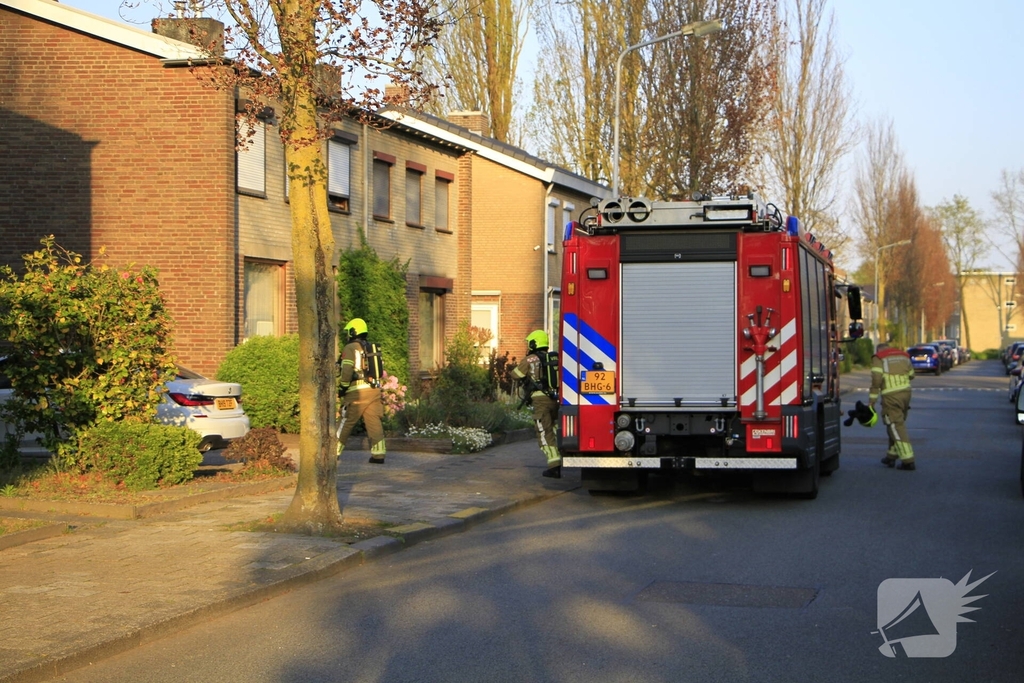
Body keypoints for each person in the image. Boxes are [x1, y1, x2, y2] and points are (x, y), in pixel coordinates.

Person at [511, 330, 562, 478]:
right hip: (556, 399)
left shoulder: (530, 360)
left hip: (540, 402)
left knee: (544, 432)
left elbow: (515, 375)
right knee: (554, 428)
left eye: (529, 343)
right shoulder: (554, 358)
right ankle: (562, 453)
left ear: (534, 343)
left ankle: (554, 466)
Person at [336, 318, 386, 464]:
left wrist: (342, 388)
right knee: (374, 422)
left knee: (346, 420)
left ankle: (333, 452)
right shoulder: (369, 348)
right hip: (373, 390)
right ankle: (379, 455)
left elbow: (346, 371)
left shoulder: (350, 348)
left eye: (348, 332)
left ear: (353, 332)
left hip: (357, 392)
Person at [870, 342, 915, 470]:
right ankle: (891, 456)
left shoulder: (879, 358)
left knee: (895, 426)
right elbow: (911, 374)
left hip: (891, 396)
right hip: (906, 394)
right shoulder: (904, 356)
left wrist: (872, 401)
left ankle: (908, 460)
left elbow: (876, 381)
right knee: (895, 424)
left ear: (878, 350)